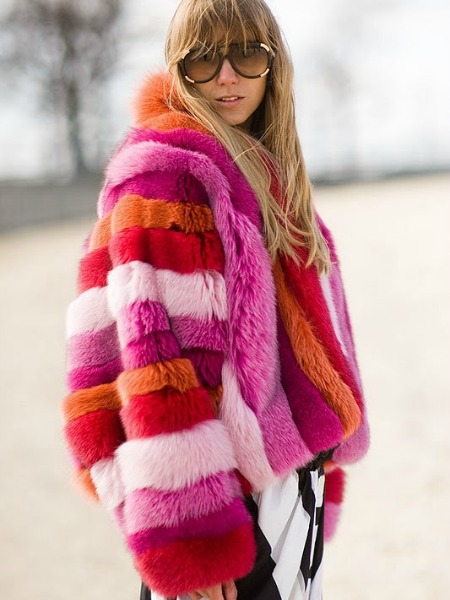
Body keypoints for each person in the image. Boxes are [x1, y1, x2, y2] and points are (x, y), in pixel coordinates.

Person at [62, 0, 370, 599]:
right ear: (180, 70)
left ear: (272, 65)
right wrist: (194, 541)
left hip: (284, 495)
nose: (227, 76)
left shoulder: (263, 171)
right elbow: (155, 364)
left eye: (247, 54)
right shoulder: (170, 179)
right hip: (221, 511)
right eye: (204, 60)